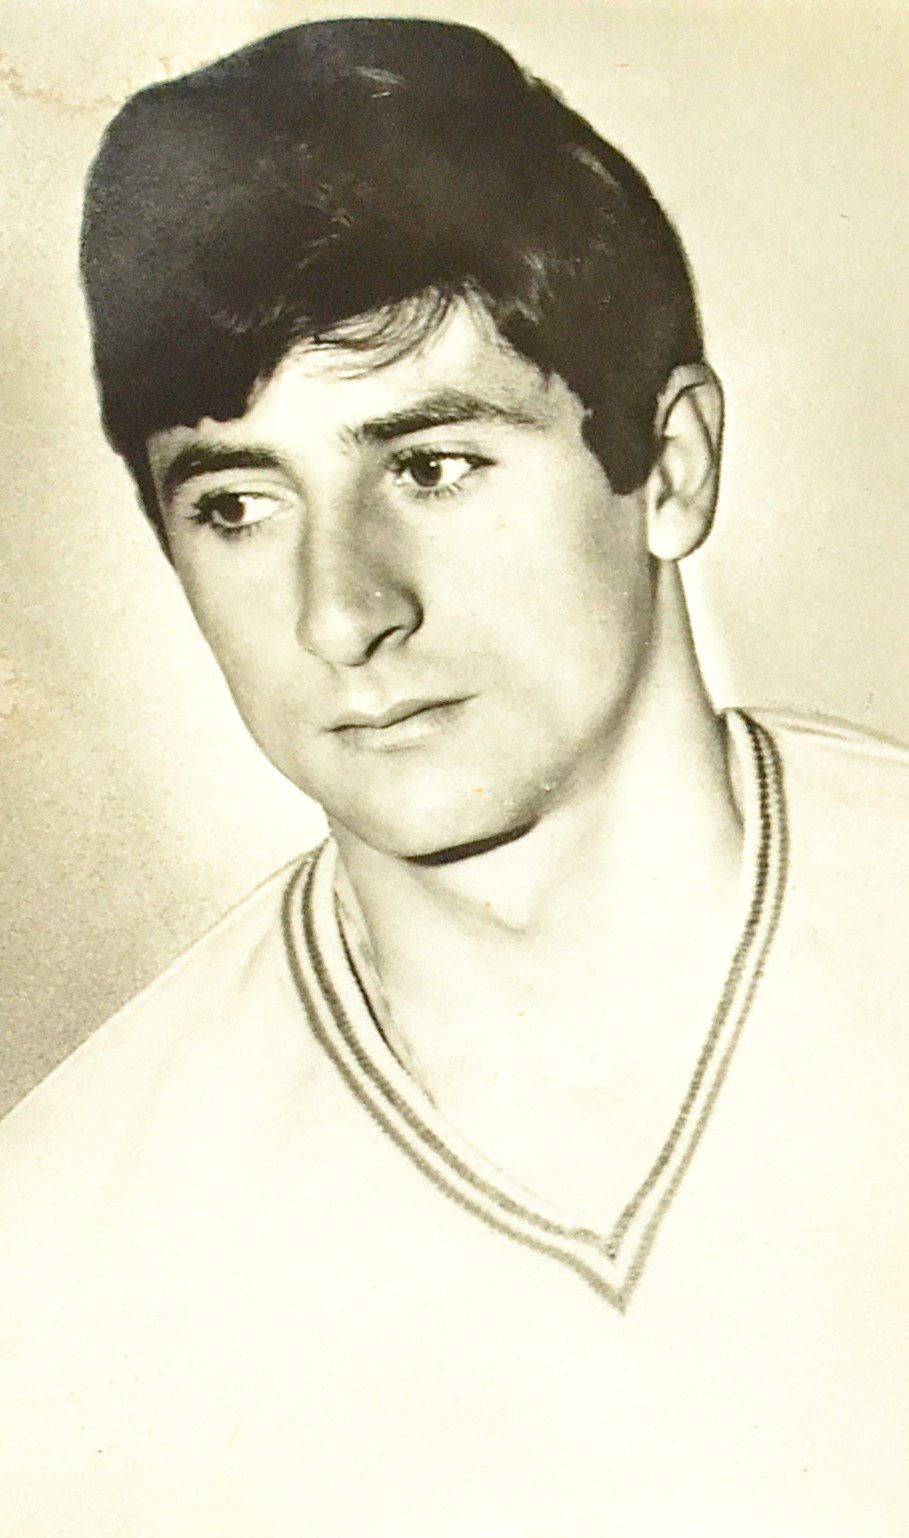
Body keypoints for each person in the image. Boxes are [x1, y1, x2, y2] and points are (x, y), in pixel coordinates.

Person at [0, 18, 905, 1536]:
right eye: (236, 505)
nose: (341, 612)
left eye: (427, 466)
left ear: (670, 466)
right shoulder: (51, 1256)